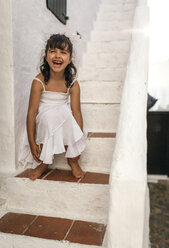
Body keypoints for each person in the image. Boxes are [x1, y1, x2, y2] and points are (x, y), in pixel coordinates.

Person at [19, 34, 87, 180]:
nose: (57, 56)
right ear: (46, 55)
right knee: (51, 117)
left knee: (66, 112)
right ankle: (44, 162)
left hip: (63, 116)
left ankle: (73, 160)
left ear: (70, 59)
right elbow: (32, 112)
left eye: (63, 52)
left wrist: (78, 141)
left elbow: (77, 113)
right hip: (45, 118)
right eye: (53, 51)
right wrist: (32, 143)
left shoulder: (73, 84)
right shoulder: (38, 81)